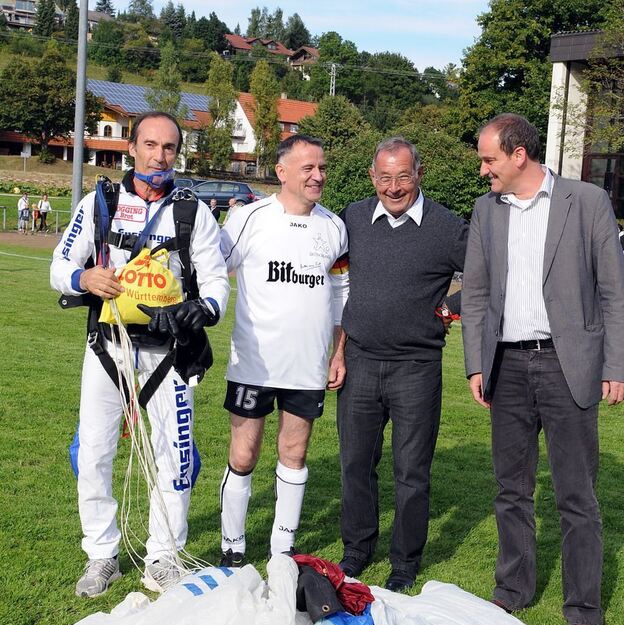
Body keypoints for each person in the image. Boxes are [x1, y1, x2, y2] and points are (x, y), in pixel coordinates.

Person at [461, 113, 624, 625]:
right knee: (511, 489)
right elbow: (477, 294)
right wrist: (476, 362)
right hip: (506, 366)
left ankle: (582, 609)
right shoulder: (486, 211)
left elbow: (613, 294)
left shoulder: (588, 201)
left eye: (489, 160)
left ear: (519, 155)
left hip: (567, 364)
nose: (483, 170)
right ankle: (513, 589)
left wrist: (615, 366)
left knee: (576, 496)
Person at [50, 111, 230, 598]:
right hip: (107, 350)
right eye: (150, 144)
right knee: (94, 454)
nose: (159, 155)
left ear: (178, 153)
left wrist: (205, 308)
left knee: (175, 457)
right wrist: (85, 278)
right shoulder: (100, 202)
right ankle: (101, 555)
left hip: (168, 355)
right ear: (133, 148)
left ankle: (164, 557)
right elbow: (61, 266)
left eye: (169, 147)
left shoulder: (194, 213)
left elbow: (216, 280)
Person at [336, 137, 468, 592]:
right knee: (355, 462)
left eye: (404, 177)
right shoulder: (352, 218)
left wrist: (450, 309)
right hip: (360, 361)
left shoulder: (446, 226)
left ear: (419, 174)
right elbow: (329, 279)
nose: (394, 187)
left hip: (417, 366)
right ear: (373, 177)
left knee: (411, 471)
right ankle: (356, 548)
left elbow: (491, 273)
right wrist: (336, 349)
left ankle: (404, 563)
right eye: (385, 177)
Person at [218, 134, 348, 566]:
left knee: (294, 455)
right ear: (282, 172)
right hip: (253, 364)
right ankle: (233, 546)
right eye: (309, 168)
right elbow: (215, 272)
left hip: (307, 366)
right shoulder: (249, 219)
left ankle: (281, 549)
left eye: (322, 167)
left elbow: (341, 294)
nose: (318, 175)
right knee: (244, 453)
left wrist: (338, 352)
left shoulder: (334, 227)